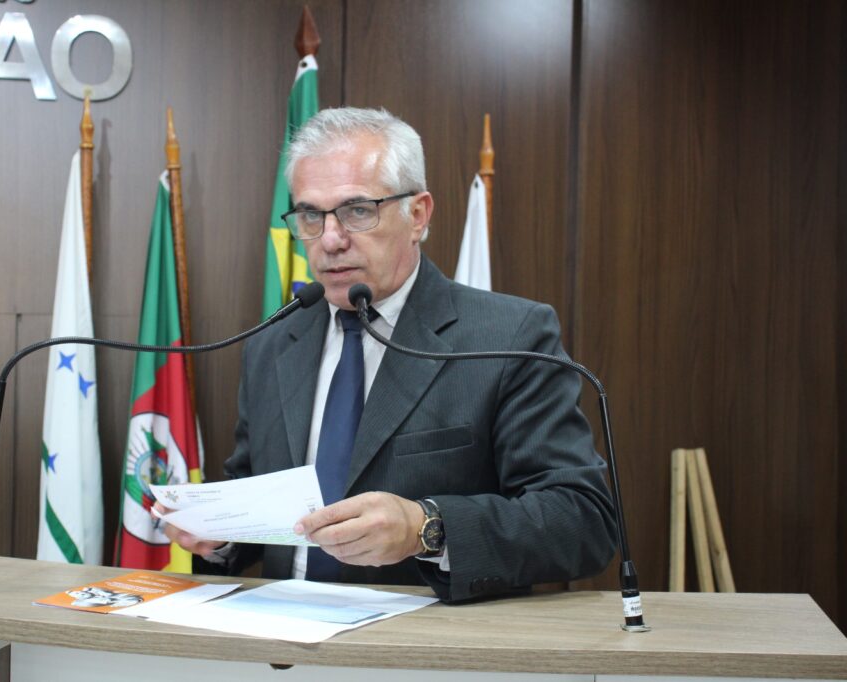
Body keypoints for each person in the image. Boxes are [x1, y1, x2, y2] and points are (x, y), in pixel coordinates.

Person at [157, 107, 618, 602]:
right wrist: (218, 534)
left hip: (426, 639)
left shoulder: (509, 335)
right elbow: (260, 499)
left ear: (417, 215)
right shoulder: (273, 343)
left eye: (357, 210)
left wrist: (426, 527)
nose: (329, 240)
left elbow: (582, 520)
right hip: (283, 631)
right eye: (310, 215)